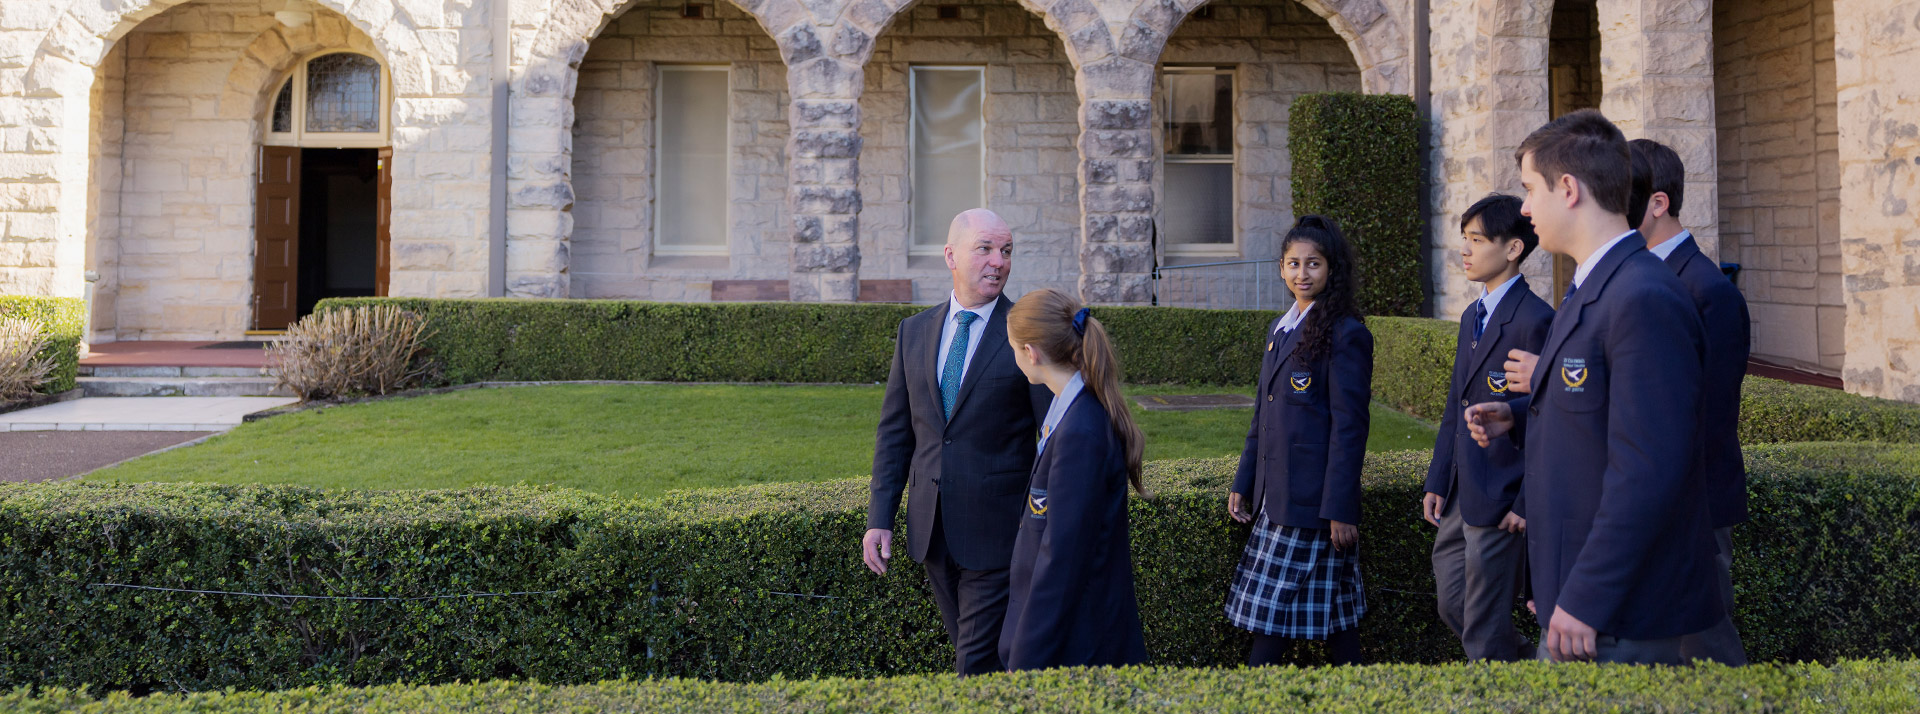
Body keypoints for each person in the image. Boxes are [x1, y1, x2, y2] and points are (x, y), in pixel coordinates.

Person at [1464, 109, 1723, 665]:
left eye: (1530, 190)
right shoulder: (1593, 287)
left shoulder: (1641, 296)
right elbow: (1597, 413)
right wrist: (1522, 411)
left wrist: (1587, 595)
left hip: (1614, 608)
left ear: (1568, 188)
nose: (1525, 208)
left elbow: (1649, 467)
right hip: (1575, 591)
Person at [864, 208, 1052, 675]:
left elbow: (1054, 434)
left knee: (974, 663)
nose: (998, 261)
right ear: (951, 255)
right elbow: (895, 433)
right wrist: (879, 518)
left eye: (1006, 251)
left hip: (999, 532)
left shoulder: (1025, 333)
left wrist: (1047, 522)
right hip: (932, 531)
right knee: (980, 660)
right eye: (985, 249)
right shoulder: (914, 331)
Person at [1225, 215, 1373, 667]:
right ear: (1281, 268)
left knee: (1271, 627)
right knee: (1335, 624)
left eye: (1313, 264)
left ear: (1332, 269)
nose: (1301, 274)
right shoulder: (1279, 330)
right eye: (1293, 263)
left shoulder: (1346, 333)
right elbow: (1262, 418)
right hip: (1276, 498)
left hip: (1313, 506)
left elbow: (1350, 429)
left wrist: (1340, 510)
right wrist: (1244, 481)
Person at [1628, 138, 1753, 665]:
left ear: (1658, 203)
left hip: (1693, 502)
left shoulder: (1707, 289)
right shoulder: (1644, 278)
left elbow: (1709, 413)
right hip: (1660, 496)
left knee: (1704, 644)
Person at [1422, 194, 1553, 661]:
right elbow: (1455, 406)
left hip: (1504, 494)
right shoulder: (1470, 317)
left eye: (1477, 240)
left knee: (1481, 624)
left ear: (1513, 248)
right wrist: (1439, 479)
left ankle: (1501, 686)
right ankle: (1522, 663)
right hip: (1462, 489)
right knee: (1451, 600)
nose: (1466, 250)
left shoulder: (1537, 320)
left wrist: (1525, 501)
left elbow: (1545, 419)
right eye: (1465, 240)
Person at [997, 289, 1150, 671]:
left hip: (1074, 644)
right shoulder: (1072, 412)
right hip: (1068, 635)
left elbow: (1063, 557)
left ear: (1031, 353)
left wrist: (1026, 655)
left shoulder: (1081, 429)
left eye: (1014, 348)